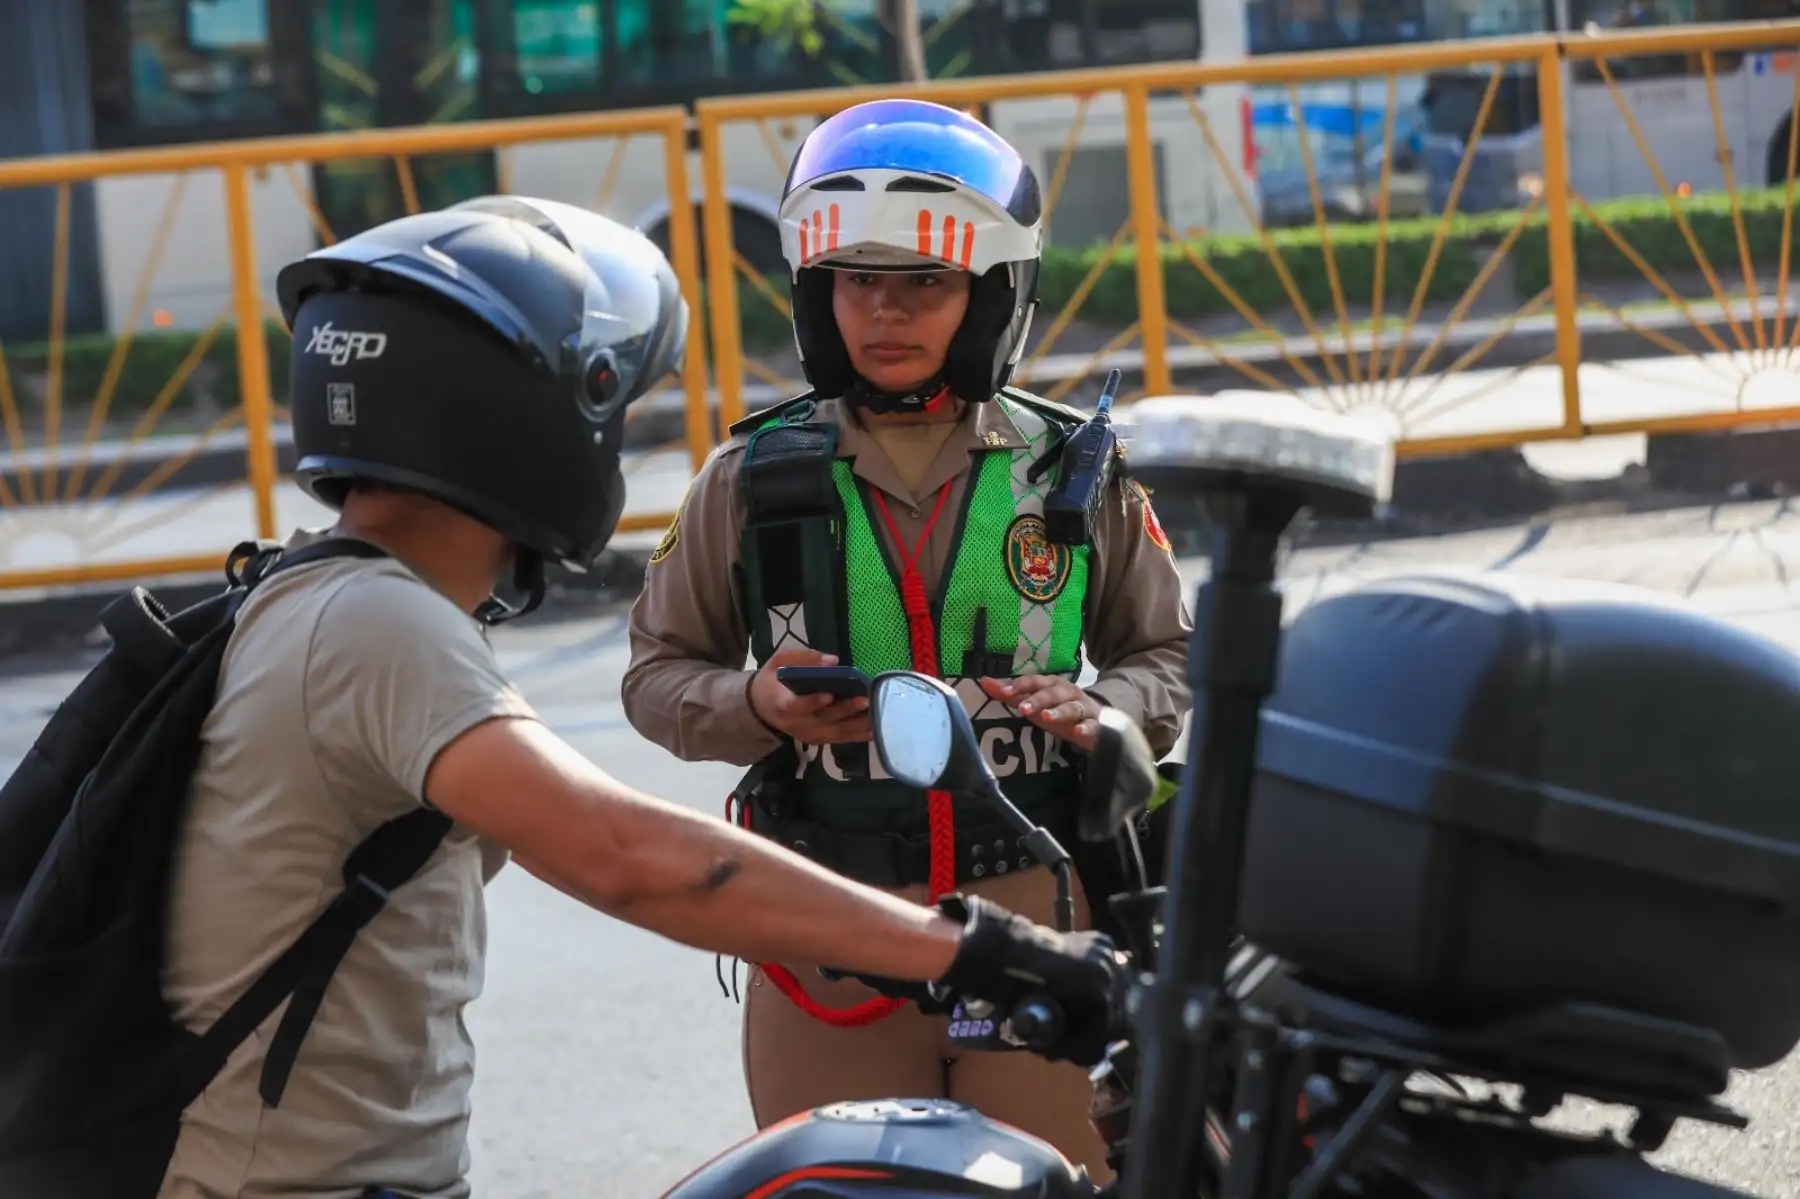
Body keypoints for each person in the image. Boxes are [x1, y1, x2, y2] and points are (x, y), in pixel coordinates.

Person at [157, 195, 1125, 1199]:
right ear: (518, 428)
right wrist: (975, 948)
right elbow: (633, 856)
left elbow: (581, 838)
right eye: (602, 416)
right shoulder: (378, 627)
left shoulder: (319, 599)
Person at [622, 100, 1192, 1181]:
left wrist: (1112, 711)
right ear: (815, 292)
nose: (885, 311)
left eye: (924, 282)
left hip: (1037, 913)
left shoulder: (1074, 470)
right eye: (857, 280)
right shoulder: (748, 480)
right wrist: (753, 705)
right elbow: (655, 673)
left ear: (988, 295)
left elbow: (1165, 654)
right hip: (822, 935)